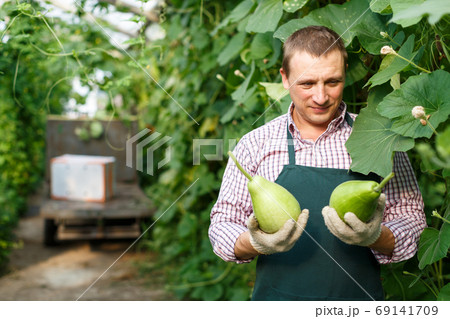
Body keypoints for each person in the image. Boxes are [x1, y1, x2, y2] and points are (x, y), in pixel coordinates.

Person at [208, 26, 426, 301]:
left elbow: (412, 220)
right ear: (285, 79)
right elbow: (222, 225)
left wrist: (375, 236)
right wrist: (255, 242)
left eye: (332, 82)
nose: (321, 97)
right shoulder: (255, 144)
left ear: (345, 74)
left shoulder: (380, 137)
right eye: (307, 83)